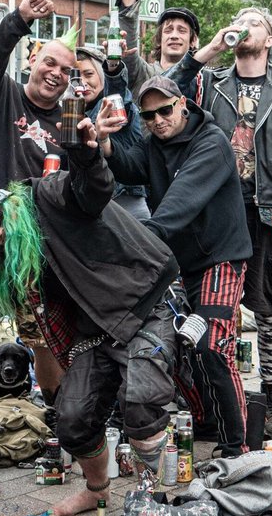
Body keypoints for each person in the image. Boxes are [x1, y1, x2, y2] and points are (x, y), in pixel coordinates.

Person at [0, 111, 180, 516]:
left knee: (141, 403)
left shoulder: (48, 198)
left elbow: (93, 188)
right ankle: (97, 491)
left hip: (144, 305)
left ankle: (160, 502)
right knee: (72, 418)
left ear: (9, 208)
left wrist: (84, 153)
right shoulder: (16, 256)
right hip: (97, 328)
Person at [170, 6, 272, 437]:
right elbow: (167, 91)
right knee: (210, 311)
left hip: (271, 216)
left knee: (270, 310)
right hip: (217, 215)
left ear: (270, 39)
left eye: (254, 21)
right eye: (239, 19)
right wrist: (210, 49)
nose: (244, 25)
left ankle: (271, 397)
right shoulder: (209, 83)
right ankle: (211, 401)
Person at [98, 76, 252, 455]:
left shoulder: (212, 143)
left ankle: (239, 446)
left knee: (214, 345)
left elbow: (178, 204)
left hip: (221, 258)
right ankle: (204, 424)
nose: (158, 121)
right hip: (181, 263)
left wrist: (130, 243)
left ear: (182, 103)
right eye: (148, 116)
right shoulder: (154, 143)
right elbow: (131, 165)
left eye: (165, 110)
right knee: (178, 347)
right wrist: (103, 143)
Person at [0, 0, 75, 422]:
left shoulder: (66, 119)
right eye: (49, 62)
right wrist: (20, 19)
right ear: (31, 59)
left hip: (35, 243)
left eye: (65, 71)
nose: (55, 73)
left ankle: (58, 421)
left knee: (43, 336)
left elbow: (72, 182)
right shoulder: (2, 94)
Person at [76, 41, 148, 221]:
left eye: (89, 74)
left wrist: (113, 67)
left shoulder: (111, 103)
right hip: (95, 210)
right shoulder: (74, 113)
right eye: (76, 75)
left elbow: (116, 92)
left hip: (126, 206)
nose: (83, 82)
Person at [116, 0, 202, 101]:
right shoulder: (142, 73)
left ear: (193, 41)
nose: (174, 35)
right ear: (159, 39)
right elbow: (128, 41)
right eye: (168, 31)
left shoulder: (203, 81)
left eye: (182, 31)